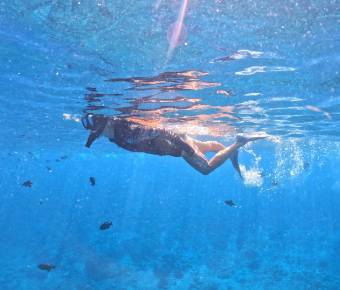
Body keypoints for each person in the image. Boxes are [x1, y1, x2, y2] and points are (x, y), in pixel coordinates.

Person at [81, 114, 266, 177]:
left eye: (98, 131)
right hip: (177, 143)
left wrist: (184, 148)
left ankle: (239, 142)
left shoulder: (126, 132)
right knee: (205, 147)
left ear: (106, 125)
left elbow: (161, 132)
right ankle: (228, 151)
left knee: (206, 169)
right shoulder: (116, 135)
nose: (98, 135)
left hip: (177, 145)